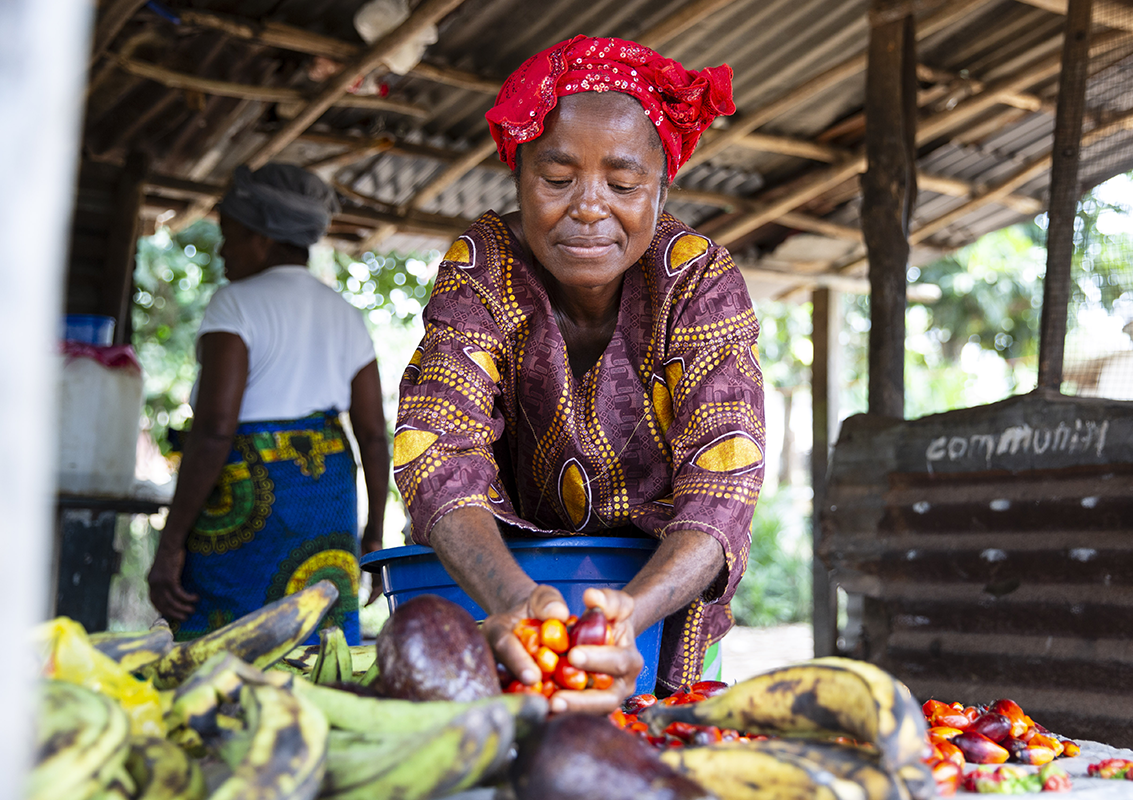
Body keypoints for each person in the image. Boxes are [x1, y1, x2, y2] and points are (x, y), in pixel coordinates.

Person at [392, 35, 764, 713]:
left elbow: (724, 483)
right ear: (518, 174)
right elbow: (437, 446)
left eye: (623, 184)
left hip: (664, 595)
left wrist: (629, 615)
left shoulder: (699, 280)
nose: (589, 207)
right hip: (504, 593)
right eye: (557, 179)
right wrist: (514, 602)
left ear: (660, 187)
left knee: (668, 749)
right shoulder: (482, 265)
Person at [148, 163, 389, 644]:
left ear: (262, 236)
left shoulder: (234, 304)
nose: (222, 251)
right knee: (320, 643)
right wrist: (375, 535)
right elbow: (374, 435)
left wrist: (171, 543)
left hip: (249, 492)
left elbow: (216, 427)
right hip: (327, 493)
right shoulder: (345, 314)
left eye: (230, 235)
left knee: (222, 643)